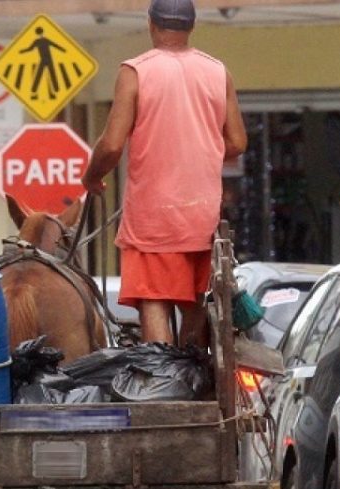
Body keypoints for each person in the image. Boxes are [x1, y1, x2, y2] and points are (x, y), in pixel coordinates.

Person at [81, 0, 247, 346]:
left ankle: (163, 377)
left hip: (152, 216)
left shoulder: (135, 72)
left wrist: (92, 177)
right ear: (191, 27)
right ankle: (193, 373)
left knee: (153, 298)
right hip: (202, 216)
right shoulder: (218, 71)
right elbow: (236, 141)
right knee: (196, 301)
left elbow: (111, 145)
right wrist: (201, 150)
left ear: (151, 24)